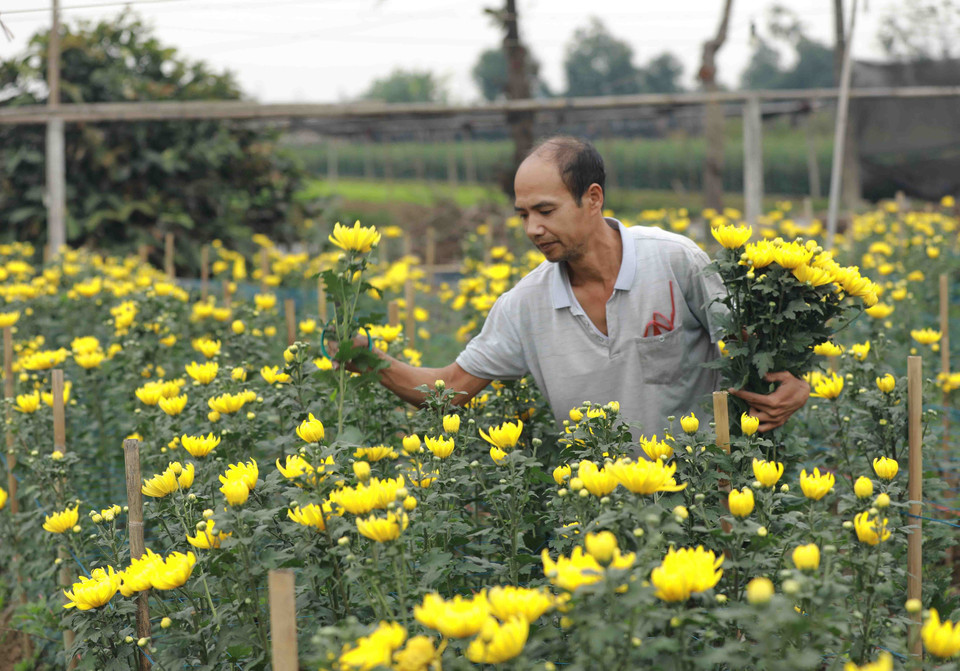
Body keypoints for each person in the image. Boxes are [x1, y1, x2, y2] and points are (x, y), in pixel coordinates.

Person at [368, 136, 809, 435]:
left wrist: (797, 385)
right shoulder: (524, 305)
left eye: (545, 211)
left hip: (699, 502)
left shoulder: (674, 261)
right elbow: (449, 390)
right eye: (523, 215)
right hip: (597, 513)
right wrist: (365, 358)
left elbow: (752, 348)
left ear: (593, 198)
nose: (532, 228)